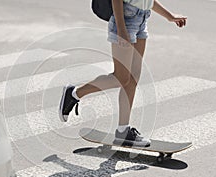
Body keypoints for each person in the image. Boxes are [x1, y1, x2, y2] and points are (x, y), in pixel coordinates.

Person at [59, 0, 187, 147]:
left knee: (132, 79)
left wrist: (169, 16)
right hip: (126, 20)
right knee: (121, 78)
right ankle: (74, 93)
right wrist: (121, 28)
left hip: (142, 19)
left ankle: (123, 131)